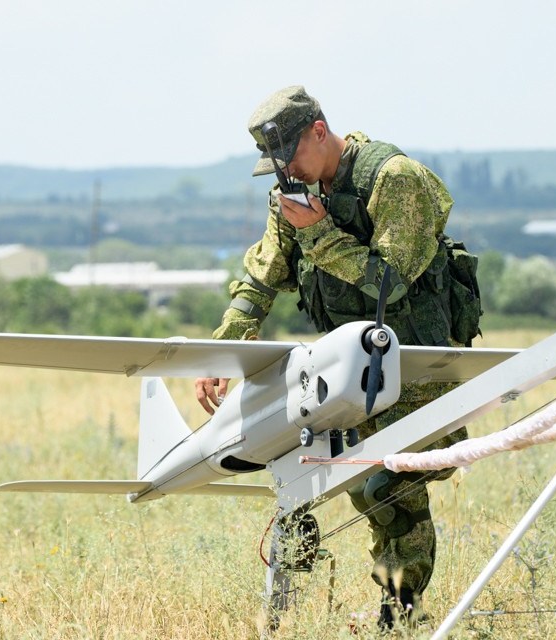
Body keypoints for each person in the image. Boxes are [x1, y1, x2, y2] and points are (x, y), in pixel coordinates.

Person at [194, 85, 473, 630]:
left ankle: (399, 615)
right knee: (310, 475)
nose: (286, 173)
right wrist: (224, 349)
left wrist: (318, 231)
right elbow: (259, 279)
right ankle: (305, 609)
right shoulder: (291, 195)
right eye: (275, 166)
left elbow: (387, 285)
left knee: (387, 489)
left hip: (418, 370)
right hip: (348, 378)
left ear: (319, 130)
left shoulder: (394, 179)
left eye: (291, 156)